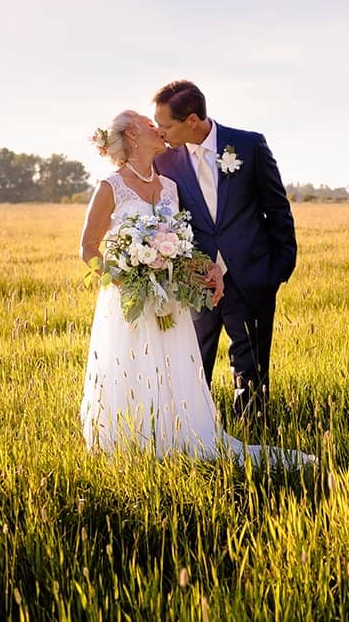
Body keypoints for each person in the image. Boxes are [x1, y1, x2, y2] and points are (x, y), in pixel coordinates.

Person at [77, 110, 313, 467]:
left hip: (171, 298)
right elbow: (88, 249)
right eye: (147, 123)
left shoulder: (169, 185)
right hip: (129, 299)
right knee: (134, 364)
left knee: (173, 366)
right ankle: (132, 440)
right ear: (132, 135)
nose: (157, 127)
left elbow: (183, 244)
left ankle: (178, 434)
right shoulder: (111, 186)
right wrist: (128, 280)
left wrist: (209, 269)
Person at [152, 81, 297, 433]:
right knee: (194, 357)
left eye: (166, 125)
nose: (161, 132)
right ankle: (193, 432)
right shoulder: (163, 160)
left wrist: (278, 268)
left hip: (251, 274)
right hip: (196, 279)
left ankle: (251, 434)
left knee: (252, 364)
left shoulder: (248, 145)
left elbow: (277, 207)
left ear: (191, 120)